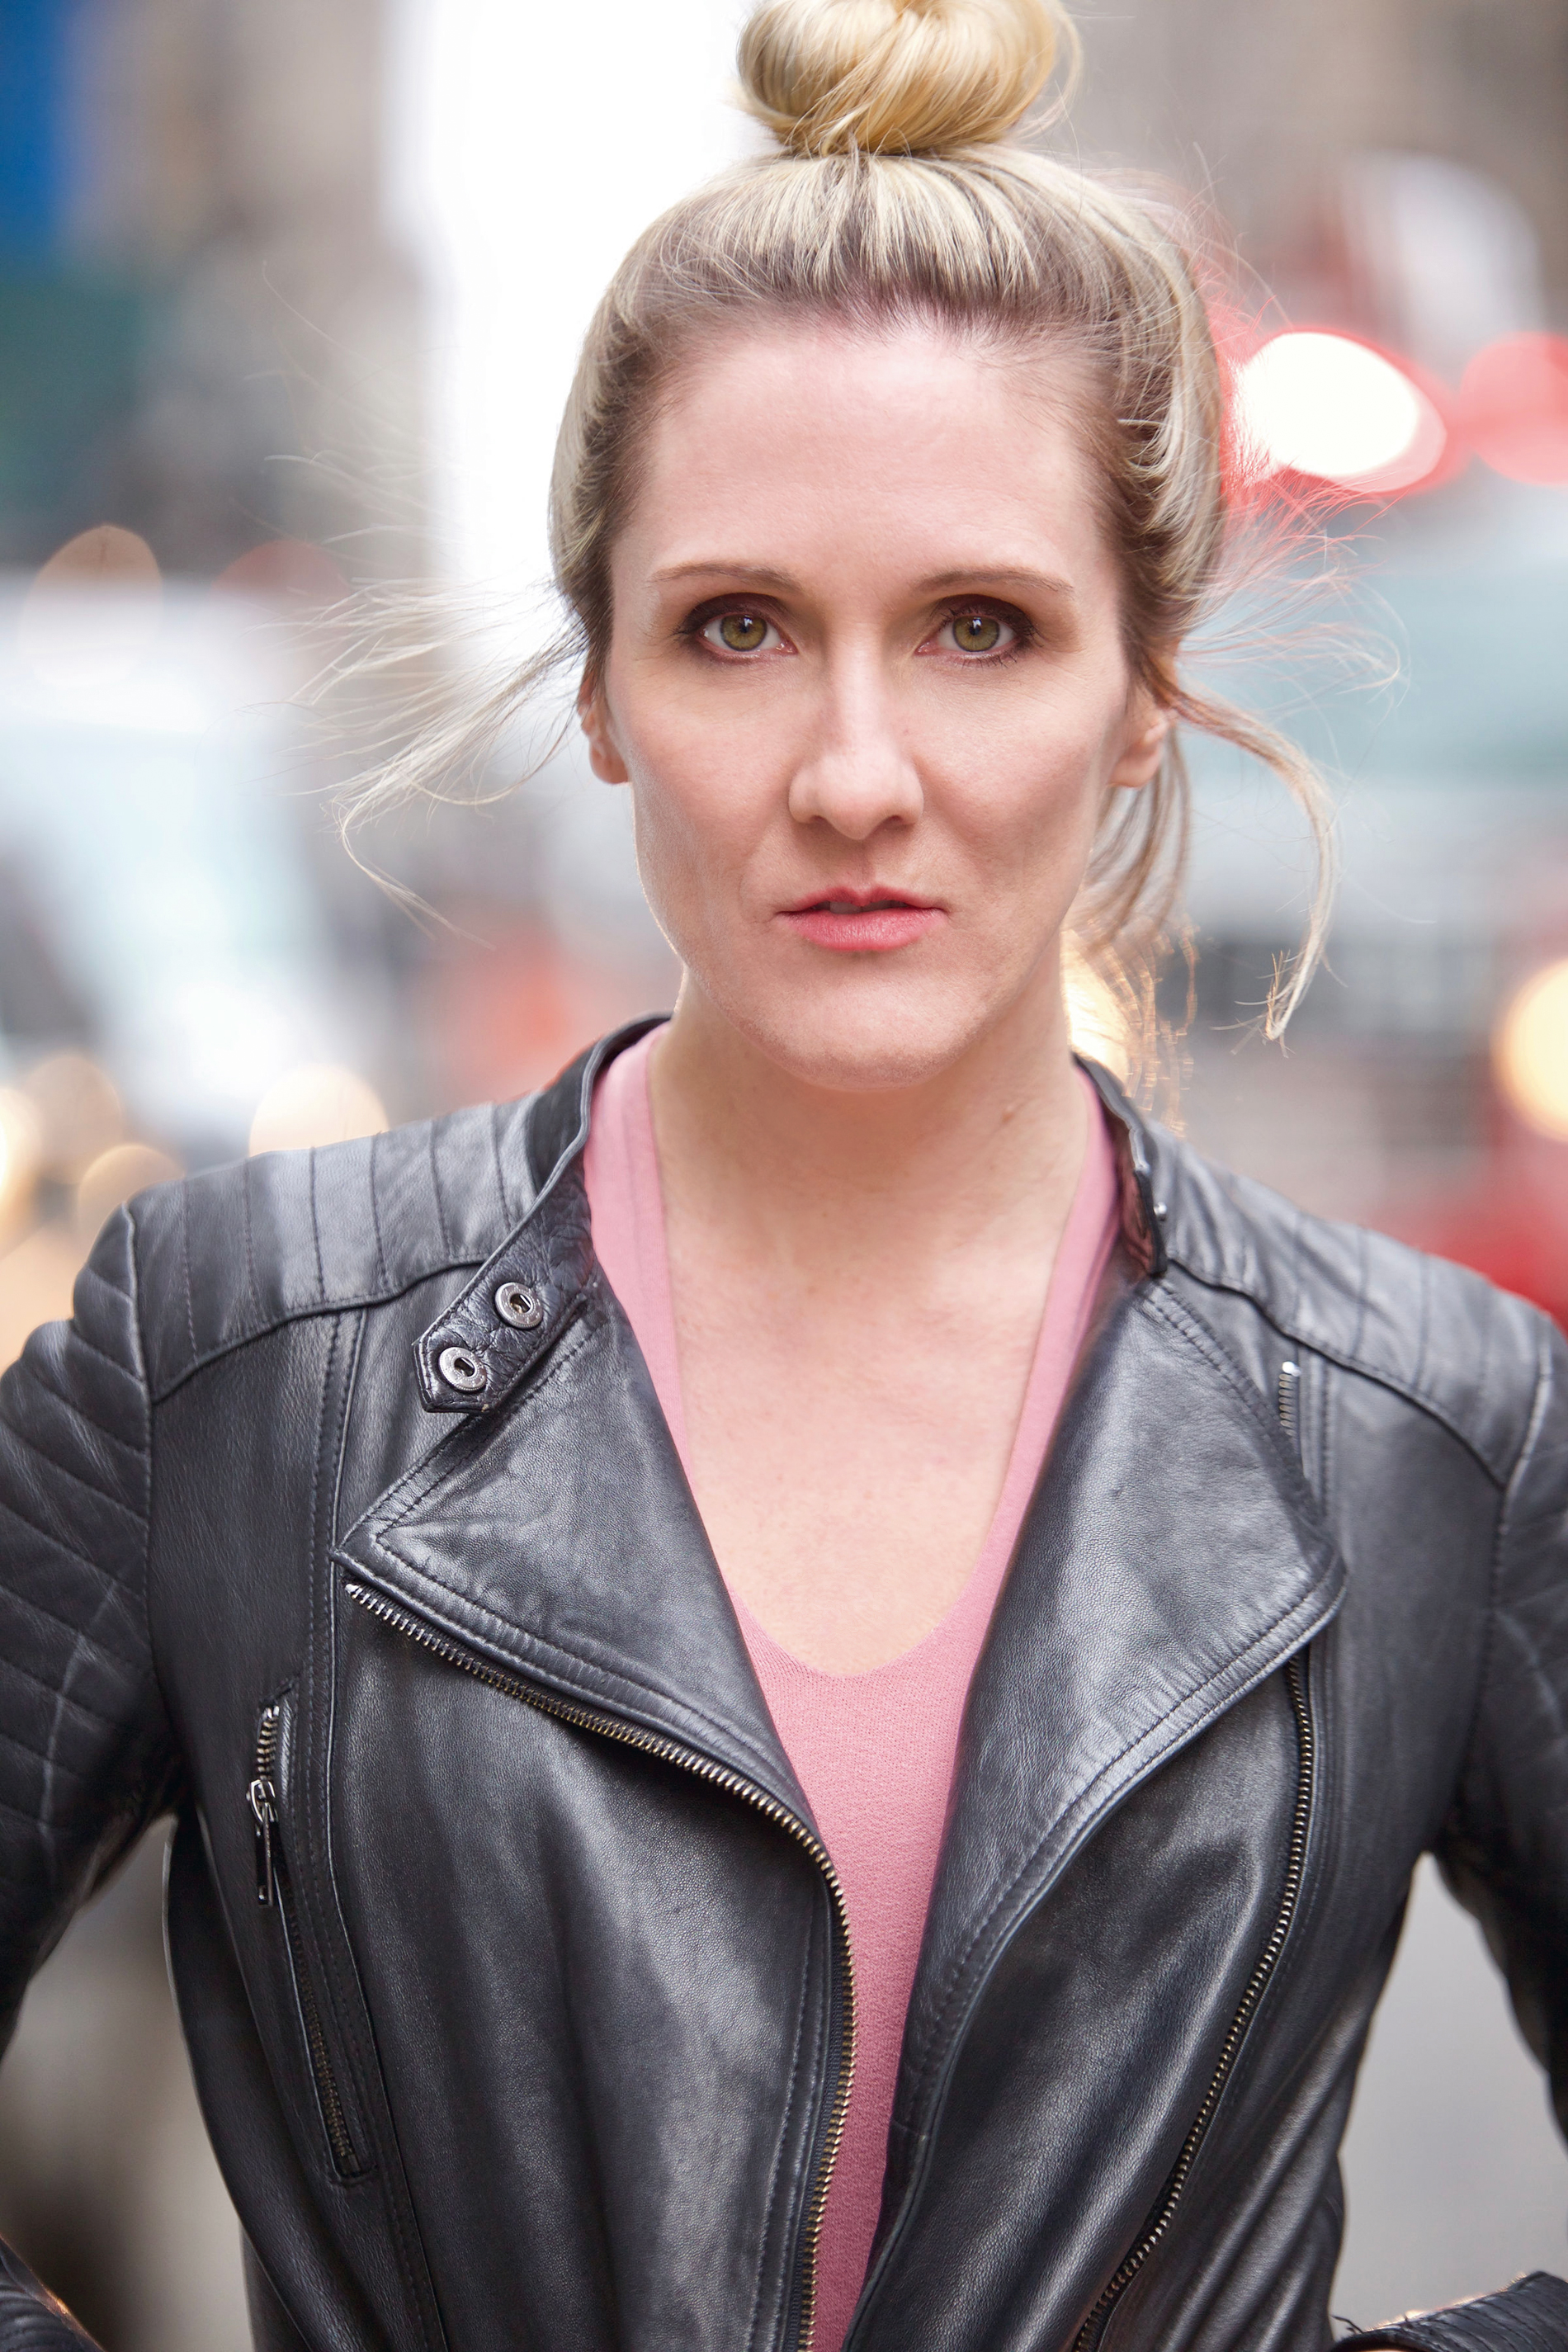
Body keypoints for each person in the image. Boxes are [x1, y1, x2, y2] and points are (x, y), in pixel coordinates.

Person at [2, 2, 1567, 2348]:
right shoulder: (229, 1352)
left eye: (978, 628)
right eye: (739, 626)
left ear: (1141, 682)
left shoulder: (1428, 1421)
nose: (854, 768)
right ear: (607, 681)